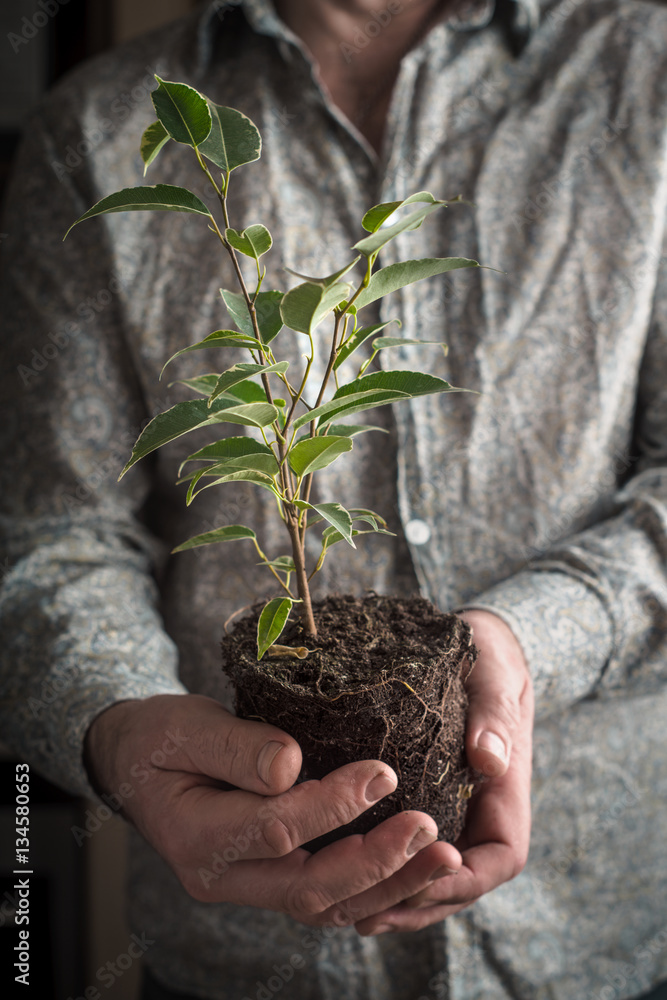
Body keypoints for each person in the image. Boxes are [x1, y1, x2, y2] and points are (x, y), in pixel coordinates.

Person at [1, 0, 666, 998]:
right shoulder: (96, 132)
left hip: (604, 941)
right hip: (236, 962)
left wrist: (538, 640)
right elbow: (50, 539)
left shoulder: (644, 67)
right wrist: (122, 726)